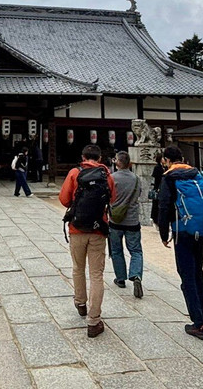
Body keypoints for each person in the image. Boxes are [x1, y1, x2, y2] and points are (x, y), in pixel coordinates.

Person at [155, 145, 203, 342]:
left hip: (182, 231)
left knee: (187, 275)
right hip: (202, 228)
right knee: (198, 271)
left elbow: (164, 206)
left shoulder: (169, 178)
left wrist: (163, 233)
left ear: (166, 160)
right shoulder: (197, 174)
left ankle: (200, 324)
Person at [59, 144, 117, 338]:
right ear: (99, 158)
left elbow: (64, 200)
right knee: (96, 275)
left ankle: (80, 302)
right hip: (98, 229)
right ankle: (94, 321)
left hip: (76, 228)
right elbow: (113, 198)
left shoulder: (75, 172)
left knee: (78, 268)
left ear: (83, 156)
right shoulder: (106, 175)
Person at [108, 151, 144, 298]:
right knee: (135, 250)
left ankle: (120, 278)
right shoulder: (136, 179)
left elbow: (108, 195)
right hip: (132, 219)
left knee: (116, 250)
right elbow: (139, 194)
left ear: (117, 163)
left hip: (115, 219)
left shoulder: (111, 178)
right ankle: (136, 275)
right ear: (129, 163)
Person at [149, 155, 165, 220]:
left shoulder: (164, 167)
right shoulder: (157, 167)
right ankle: (155, 218)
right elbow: (156, 178)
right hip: (158, 187)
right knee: (156, 203)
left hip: (162, 187)